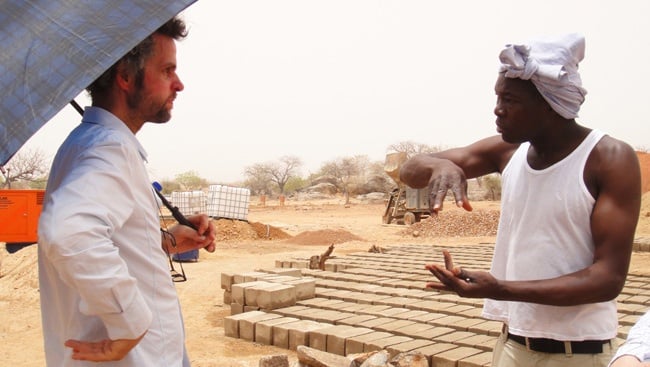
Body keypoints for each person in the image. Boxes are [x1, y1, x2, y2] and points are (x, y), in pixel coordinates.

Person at [399, 33, 641, 367]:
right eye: (497, 97)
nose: (497, 110)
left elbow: (607, 280)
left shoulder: (608, 158)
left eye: (509, 100)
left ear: (548, 102)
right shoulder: (507, 151)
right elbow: (409, 170)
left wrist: (502, 289)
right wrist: (441, 164)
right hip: (512, 346)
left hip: (578, 355)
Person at [37, 16, 217, 366]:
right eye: (167, 71)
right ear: (125, 76)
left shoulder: (94, 144)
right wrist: (130, 323)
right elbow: (68, 232)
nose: (178, 84)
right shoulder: (106, 149)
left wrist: (165, 241)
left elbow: (109, 239)